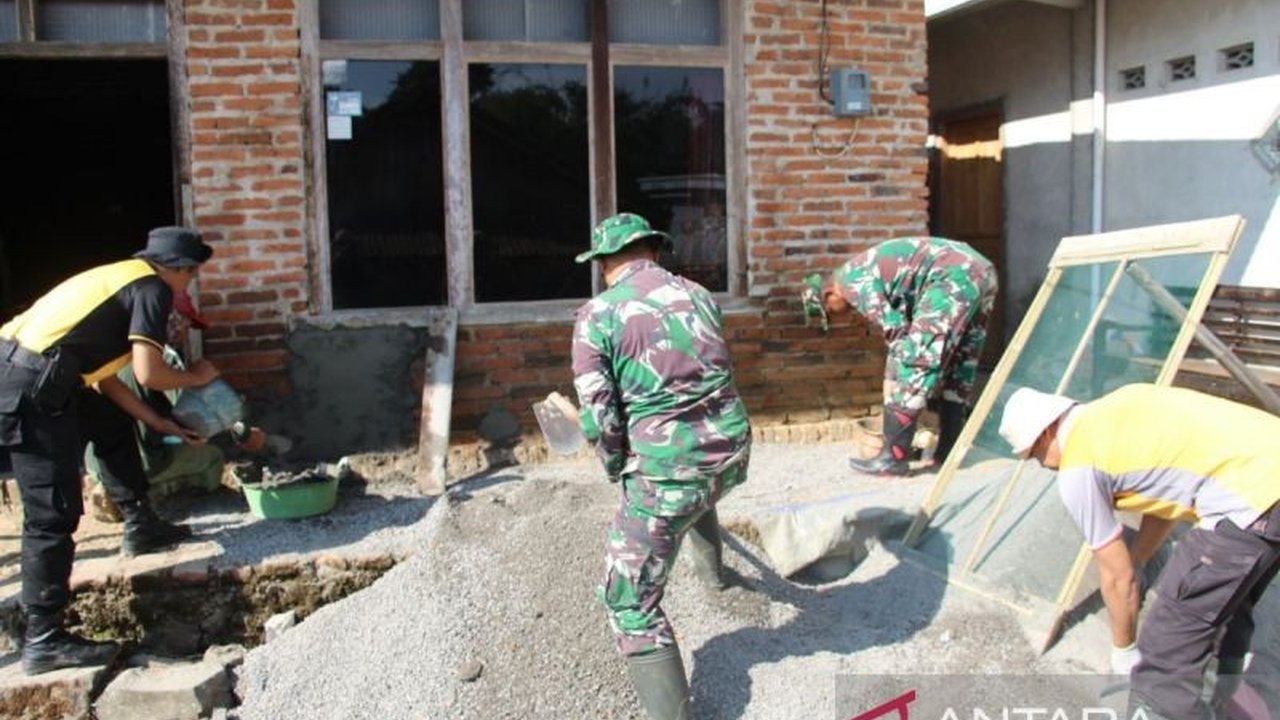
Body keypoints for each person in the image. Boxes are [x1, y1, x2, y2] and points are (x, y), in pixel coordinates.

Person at [0, 226, 221, 675]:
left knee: (110, 421)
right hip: (30, 389)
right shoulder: (153, 289)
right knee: (51, 513)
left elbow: (106, 381)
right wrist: (198, 378)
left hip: (32, 374)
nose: (190, 282)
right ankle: (43, 640)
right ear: (179, 269)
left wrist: (158, 420)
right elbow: (150, 373)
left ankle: (140, 523)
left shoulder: (121, 278)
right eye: (193, 273)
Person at [998, 383, 1280, 720]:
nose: (1043, 465)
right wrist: (1140, 559)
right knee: (1241, 608)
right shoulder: (1124, 402)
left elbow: (1117, 578)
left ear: (1045, 433)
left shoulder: (1078, 465)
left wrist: (1124, 650)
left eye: (1034, 456)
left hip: (1249, 495)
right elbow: (1166, 498)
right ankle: (1232, 704)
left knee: (1168, 645)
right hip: (1267, 475)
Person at [571, 212, 752, 720]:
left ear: (605, 261)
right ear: (653, 250)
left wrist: (615, 466)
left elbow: (602, 416)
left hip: (671, 469)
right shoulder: (698, 293)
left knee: (627, 601)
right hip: (732, 451)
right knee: (697, 494)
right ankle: (717, 580)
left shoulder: (598, 315)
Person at [802, 237, 997, 475]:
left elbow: (897, 335)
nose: (838, 319)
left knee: (917, 360)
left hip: (952, 275)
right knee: (960, 364)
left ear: (829, 294)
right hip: (980, 271)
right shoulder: (869, 272)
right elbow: (903, 327)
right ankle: (947, 453)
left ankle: (893, 459)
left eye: (830, 313)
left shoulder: (852, 282)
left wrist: (894, 392)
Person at [84, 291, 265, 520]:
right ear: (171, 321)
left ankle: (105, 484)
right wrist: (247, 434)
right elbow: (200, 415)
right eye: (185, 324)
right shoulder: (162, 358)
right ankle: (144, 496)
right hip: (142, 461)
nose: (184, 332)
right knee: (212, 458)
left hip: (97, 460)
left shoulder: (112, 350)